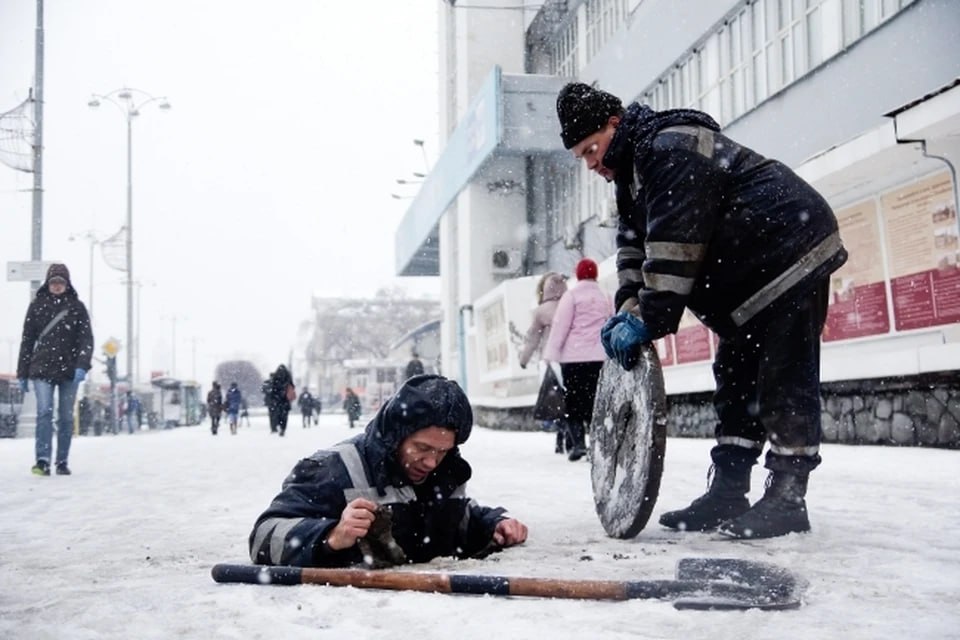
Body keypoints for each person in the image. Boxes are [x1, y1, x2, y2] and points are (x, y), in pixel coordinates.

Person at [556, 82, 848, 539]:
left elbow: (674, 248)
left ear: (615, 124)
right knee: (735, 379)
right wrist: (628, 305)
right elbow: (634, 249)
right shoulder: (631, 175)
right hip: (748, 280)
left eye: (592, 149)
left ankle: (788, 497)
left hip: (790, 253)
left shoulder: (670, 149)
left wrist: (648, 319)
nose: (591, 164)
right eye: (582, 157)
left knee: (782, 377)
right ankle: (729, 491)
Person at [248, 374, 528, 568]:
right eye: (421, 447)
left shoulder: (446, 473)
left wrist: (494, 524)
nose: (431, 462)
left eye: (442, 451)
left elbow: (458, 520)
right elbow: (262, 537)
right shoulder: (333, 468)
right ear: (397, 435)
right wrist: (331, 536)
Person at [16, 263, 93, 476]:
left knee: (66, 417)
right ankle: (42, 460)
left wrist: (82, 365)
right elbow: (27, 341)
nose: (57, 286)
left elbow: (86, 340)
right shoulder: (37, 306)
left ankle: (62, 460)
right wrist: (22, 372)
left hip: (69, 369)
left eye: (61, 282)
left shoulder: (77, 307)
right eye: (53, 282)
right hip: (41, 368)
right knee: (44, 412)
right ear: (48, 283)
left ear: (67, 284)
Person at [542, 258, 612, 462]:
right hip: (600, 358)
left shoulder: (571, 296)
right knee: (596, 403)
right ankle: (597, 446)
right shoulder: (606, 296)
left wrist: (551, 354)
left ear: (579, 274)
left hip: (573, 359)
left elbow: (560, 326)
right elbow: (610, 322)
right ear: (596, 274)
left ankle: (578, 445)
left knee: (573, 402)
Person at [518, 271, 571, 454]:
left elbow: (533, 338)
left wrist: (524, 359)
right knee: (569, 397)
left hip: (549, 360)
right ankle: (569, 434)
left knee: (554, 398)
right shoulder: (570, 305)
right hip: (570, 357)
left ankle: (560, 434)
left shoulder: (541, 311)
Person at [264, 364, 294, 436]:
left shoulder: (275, 378)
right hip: (285, 400)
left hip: (277, 401)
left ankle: (276, 426)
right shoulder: (288, 378)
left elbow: (272, 390)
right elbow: (292, 387)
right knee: (284, 416)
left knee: (277, 415)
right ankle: (283, 428)